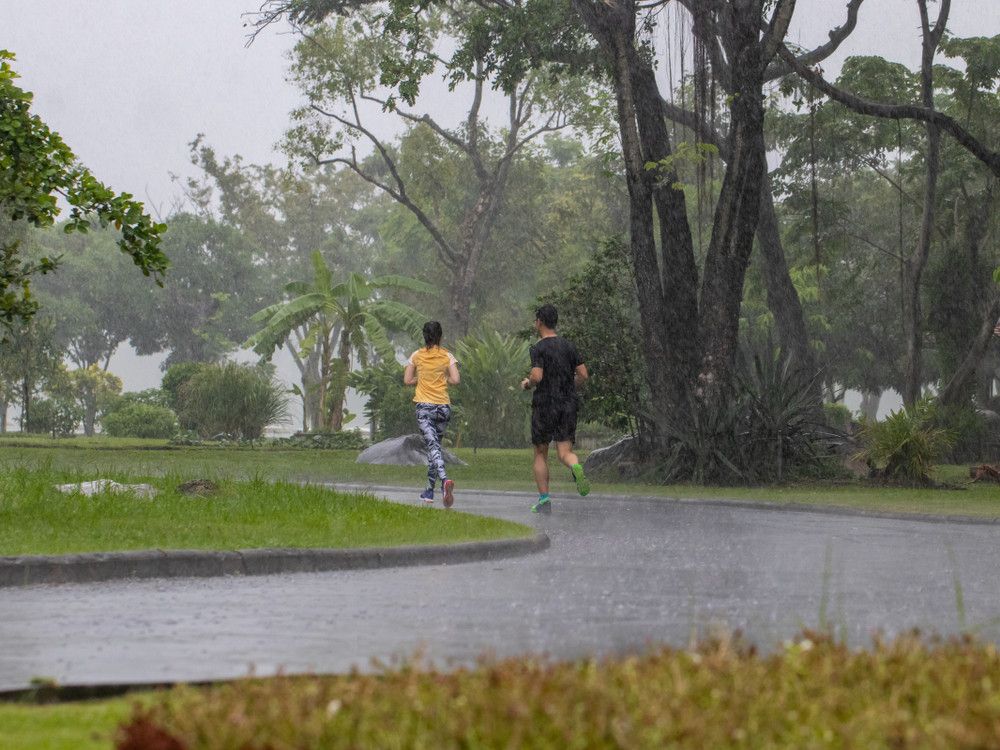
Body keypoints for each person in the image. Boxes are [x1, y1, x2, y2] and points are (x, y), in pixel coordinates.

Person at [520, 304, 590, 513]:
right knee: (564, 451)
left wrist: (527, 383)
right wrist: (568, 386)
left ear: (539, 322)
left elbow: (537, 376)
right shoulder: (569, 346)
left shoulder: (538, 348)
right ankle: (575, 466)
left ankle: (544, 500)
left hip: (544, 405)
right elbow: (584, 375)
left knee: (540, 452)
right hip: (567, 403)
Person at [404, 321, 460, 507]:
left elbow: (407, 379)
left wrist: (420, 378)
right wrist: (443, 378)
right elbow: (456, 379)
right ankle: (429, 491)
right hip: (443, 408)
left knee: (433, 448)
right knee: (434, 448)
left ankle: (444, 481)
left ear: (424, 336)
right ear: (440, 336)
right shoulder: (447, 356)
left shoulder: (416, 356)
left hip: (425, 408)